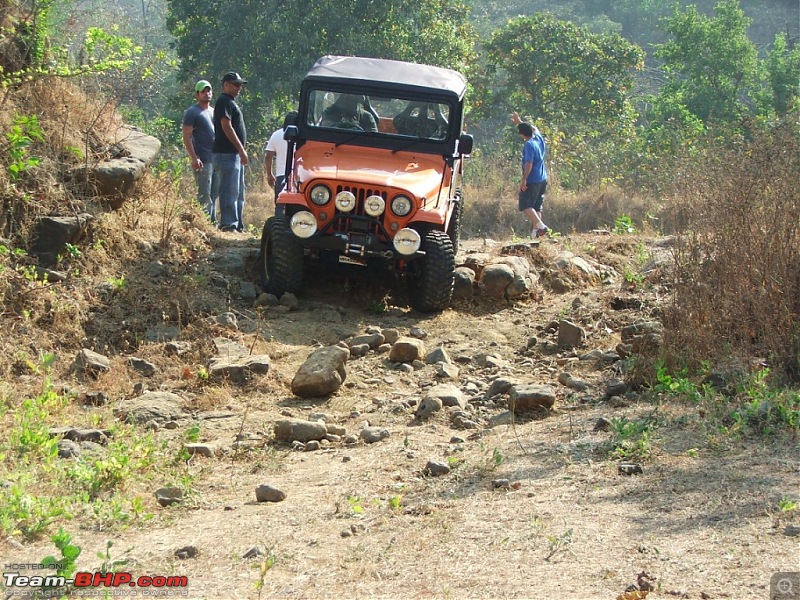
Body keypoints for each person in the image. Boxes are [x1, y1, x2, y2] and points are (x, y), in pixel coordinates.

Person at [212, 71, 249, 232]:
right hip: (226, 153)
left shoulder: (230, 102)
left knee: (238, 192)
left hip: (234, 155)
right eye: (235, 84)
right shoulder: (223, 101)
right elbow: (226, 126)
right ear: (226, 85)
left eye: (240, 84)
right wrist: (241, 149)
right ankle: (228, 224)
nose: (239, 87)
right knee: (229, 189)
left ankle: (237, 224)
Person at [182, 79, 219, 223]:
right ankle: (204, 223)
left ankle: (212, 223)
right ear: (197, 94)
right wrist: (193, 157)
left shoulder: (213, 111)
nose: (207, 94)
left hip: (216, 159)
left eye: (208, 90)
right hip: (203, 160)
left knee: (215, 193)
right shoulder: (192, 112)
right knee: (204, 193)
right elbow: (187, 135)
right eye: (203, 91)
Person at [512, 111, 548, 239]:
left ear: (522, 135)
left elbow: (529, 163)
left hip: (532, 180)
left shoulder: (529, 145)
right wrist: (520, 122)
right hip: (542, 179)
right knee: (537, 207)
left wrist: (524, 180)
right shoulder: (538, 138)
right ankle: (535, 235)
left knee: (525, 205)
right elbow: (534, 128)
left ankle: (541, 226)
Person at [264, 111, 297, 201]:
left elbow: (268, 156)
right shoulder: (302, 136)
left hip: (281, 175)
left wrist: (269, 174)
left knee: (280, 204)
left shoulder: (276, 135)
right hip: (298, 176)